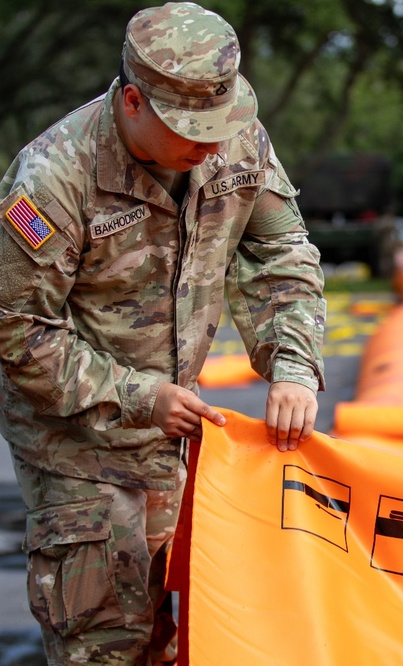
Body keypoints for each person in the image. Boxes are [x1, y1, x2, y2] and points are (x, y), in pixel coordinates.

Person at [0, 3, 327, 663]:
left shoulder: (238, 139)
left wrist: (293, 363)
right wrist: (136, 395)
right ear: (131, 102)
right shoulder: (52, 180)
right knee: (108, 641)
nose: (209, 146)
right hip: (77, 445)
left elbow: (281, 258)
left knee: (194, 628)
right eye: (190, 130)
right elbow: (18, 330)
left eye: (221, 123)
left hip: (173, 436)